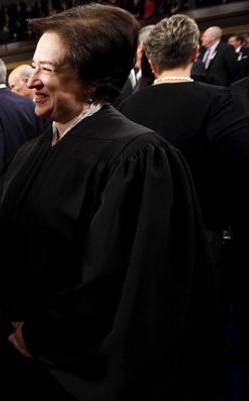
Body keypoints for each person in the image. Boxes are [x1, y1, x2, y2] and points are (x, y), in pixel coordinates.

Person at [0, 4, 220, 400]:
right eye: (34, 66)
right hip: (22, 356)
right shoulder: (33, 150)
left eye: (47, 69)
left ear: (92, 81)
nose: (31, 81)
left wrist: (38, 332)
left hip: (75, 369)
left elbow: (116, 278)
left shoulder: (137, 156)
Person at [119, 14, 249, 384]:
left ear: (151, 59)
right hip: (204, 243)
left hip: (141, 248)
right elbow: (241, 167)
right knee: (206, 342)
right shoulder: (218, 101)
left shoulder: (125, 112)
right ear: (195, 53)